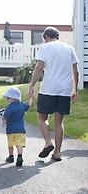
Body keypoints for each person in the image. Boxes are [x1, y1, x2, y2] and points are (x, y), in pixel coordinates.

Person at [28, 26, 79, 161]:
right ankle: (57, 152)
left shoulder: (44, 48)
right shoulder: (69, 49)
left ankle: (48, 143)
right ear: (58, 36)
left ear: (45, 37)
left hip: (48, 89)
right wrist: (75, 89)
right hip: (64, 90)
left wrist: (32, 85)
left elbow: (39, 67)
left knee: (42, 118)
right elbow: (76, 70)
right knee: (58, 121)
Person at [1, 87, 32, 167]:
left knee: (10, 144)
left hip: (10, 130)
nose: (7, 100)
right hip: (21, 130)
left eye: (8, 98)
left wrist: (3, 119)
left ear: (12, 98)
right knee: (19, 144)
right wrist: (31, 97)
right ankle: (20, 156)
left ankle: (11, 157)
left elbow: (6, 117)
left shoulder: (9, 107)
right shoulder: (22, 105)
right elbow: (28, 105)